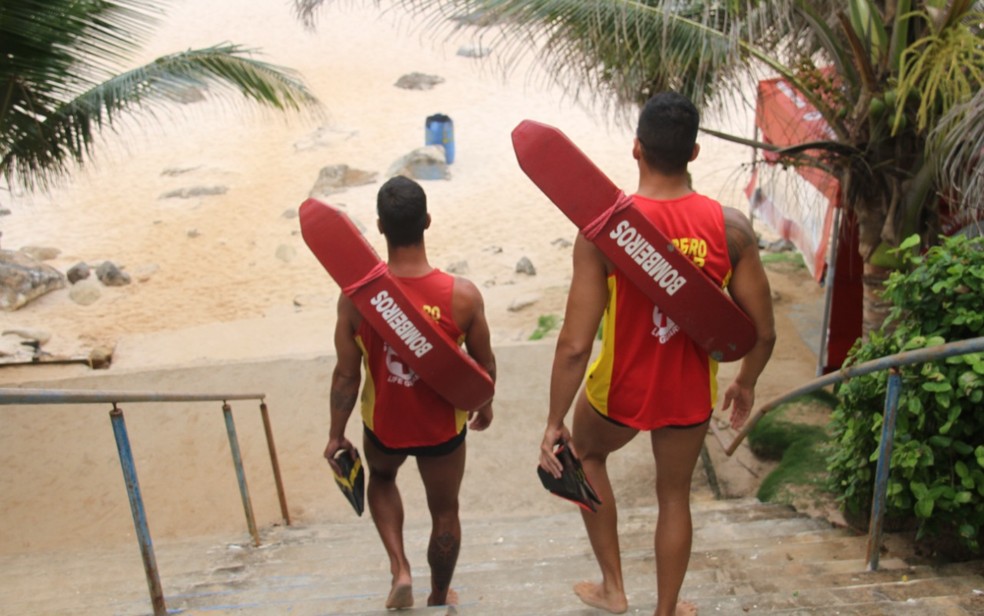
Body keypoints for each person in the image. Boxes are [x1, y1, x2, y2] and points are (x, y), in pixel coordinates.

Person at [538, 92, 776, 616]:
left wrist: (554, 419)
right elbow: (763, 333)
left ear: (635, 148)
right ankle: (665, 612)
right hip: (688, 390)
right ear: (694, 153)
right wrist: (746, 381)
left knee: (587, 455)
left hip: (617, 389)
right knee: (675, 497)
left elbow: (575, 344)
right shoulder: (730, 228)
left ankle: (613, 587)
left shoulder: (604, 231)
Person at [324, 175, 496, 609]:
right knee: (445, 510)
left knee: (381, 478)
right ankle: (439, 595)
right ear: (428, 222)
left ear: (380, 227)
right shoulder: (462, 296)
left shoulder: (356, 301)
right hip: (441, 429)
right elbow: (483, 364)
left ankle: (400, 568)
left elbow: (347, 376)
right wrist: (484, 404)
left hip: (384, 426)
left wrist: (336, 433)